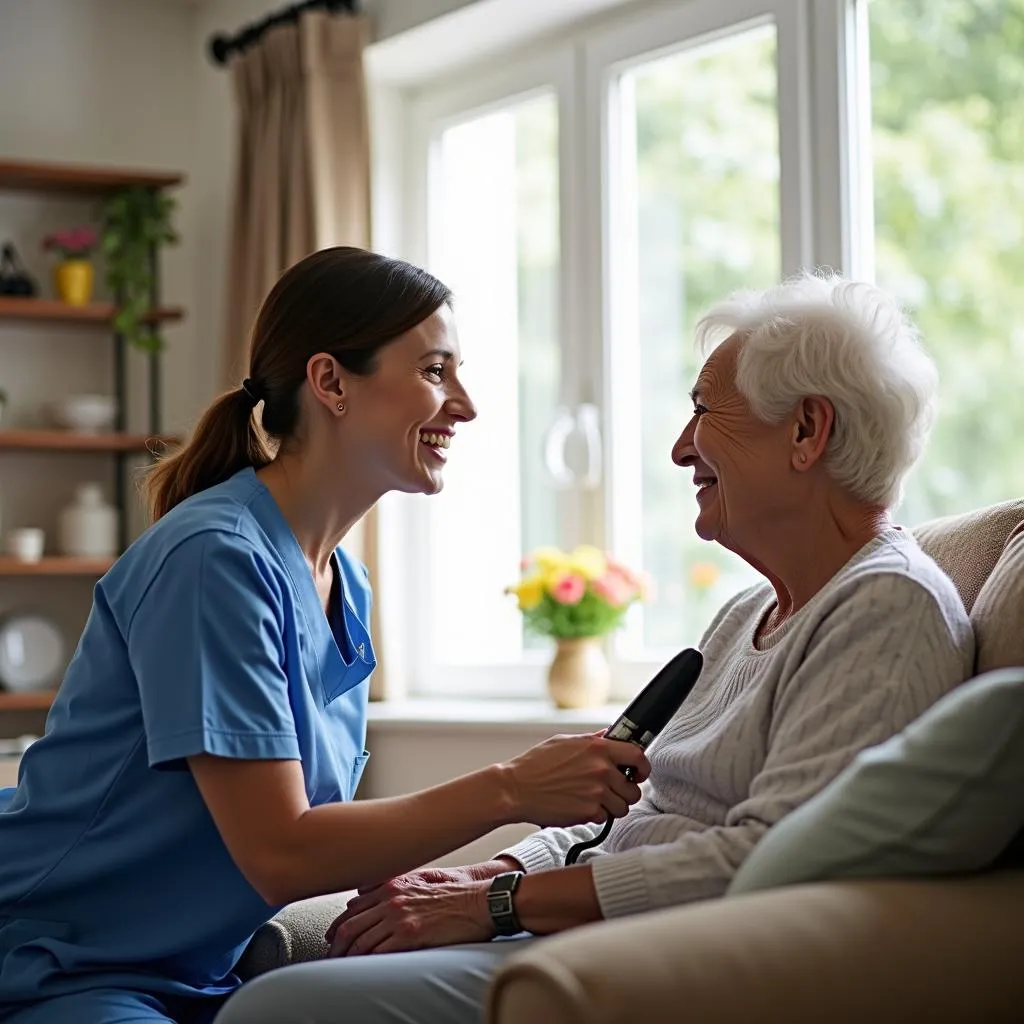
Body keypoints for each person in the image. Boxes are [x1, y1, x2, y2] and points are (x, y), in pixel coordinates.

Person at [213, 271, 977, 1024]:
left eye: (705, 412)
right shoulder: (747, 613)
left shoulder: (886, 605)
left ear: (807, 431)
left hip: (663, 961)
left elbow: (768, 861)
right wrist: (498, 869)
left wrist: (497, 902)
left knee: (277, 1011)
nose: (682, 450)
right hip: (596, 931)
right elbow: (630, 813)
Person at [0, 247, 651, 1024]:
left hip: (199, 973)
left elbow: (314, 837)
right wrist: (512, 789)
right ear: (331, 382)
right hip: (53, 961)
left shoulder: (344, 582)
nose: (466, 404)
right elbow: (281, 851)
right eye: (436, 371)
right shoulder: (214, 558)